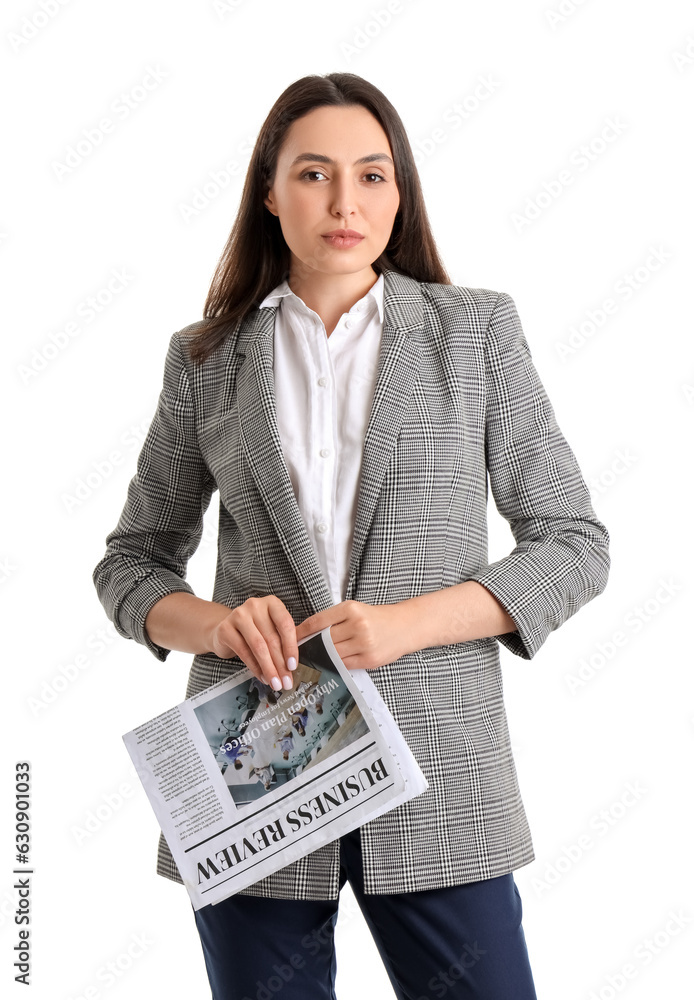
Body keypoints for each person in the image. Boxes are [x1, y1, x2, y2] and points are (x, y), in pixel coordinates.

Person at [92, 71, 610, 999]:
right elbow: (131, 562)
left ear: (400, 192)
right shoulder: (206, 359)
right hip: (256, 762)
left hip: (442, 771)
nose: (345, 202)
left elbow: (572, 542)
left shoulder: (475, 333)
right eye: (314, 174)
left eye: (373, 176)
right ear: (268, 191)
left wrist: (408, 625)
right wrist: (215, 627)